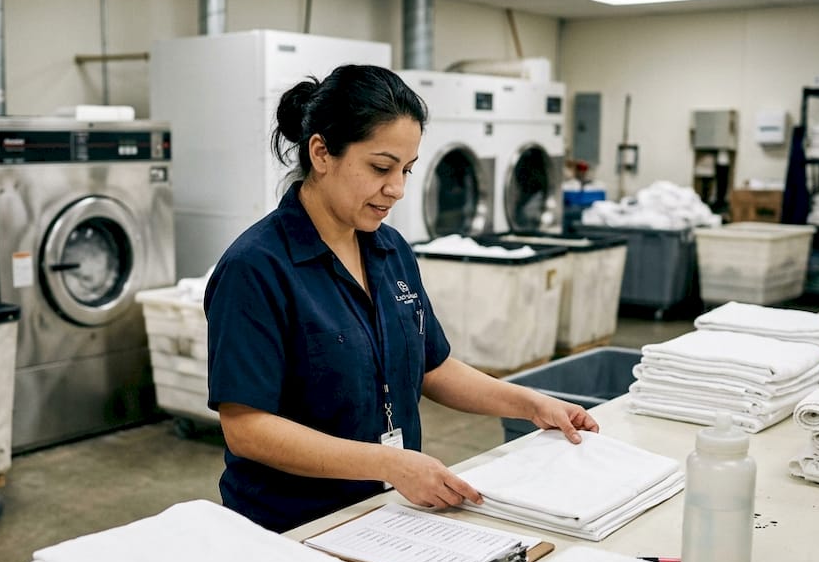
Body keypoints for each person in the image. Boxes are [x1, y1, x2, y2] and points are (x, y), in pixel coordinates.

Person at [203, 64, 598, 533]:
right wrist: (389, 463)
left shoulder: (389, 250)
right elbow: (247, 428)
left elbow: (434, 367)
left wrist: (531, 404)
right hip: (292, 527)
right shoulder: (257, 267)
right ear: (321, 153)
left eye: (407, 170)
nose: (397, 189)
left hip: (386, 513)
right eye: (380, 167)